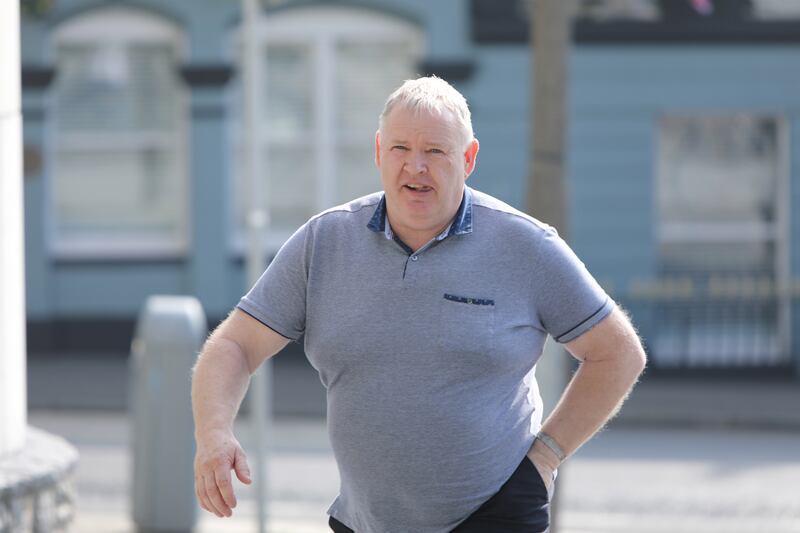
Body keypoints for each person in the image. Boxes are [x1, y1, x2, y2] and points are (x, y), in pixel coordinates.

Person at [191, 76, 646, 533]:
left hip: (494, 515)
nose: (416, 167)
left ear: (468, 158)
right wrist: (214, 434)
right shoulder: (323, 242)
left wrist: (546, 456)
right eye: (400, 148)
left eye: (435, 151)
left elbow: (618, 353)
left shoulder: (527, 246)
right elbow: (234, 345)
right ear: (378, 152)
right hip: (363, 520)